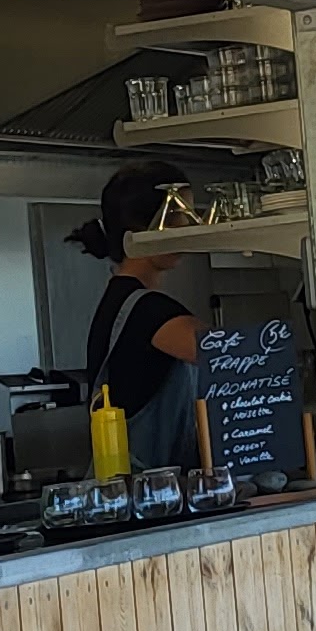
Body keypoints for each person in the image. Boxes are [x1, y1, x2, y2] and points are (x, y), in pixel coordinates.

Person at [69, 166, 203, 474]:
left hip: (139, 488)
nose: (189, 228)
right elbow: (235, 357)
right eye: (179, 217)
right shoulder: (147, 311)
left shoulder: (122, 299)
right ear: (142, 228)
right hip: (151, 489)